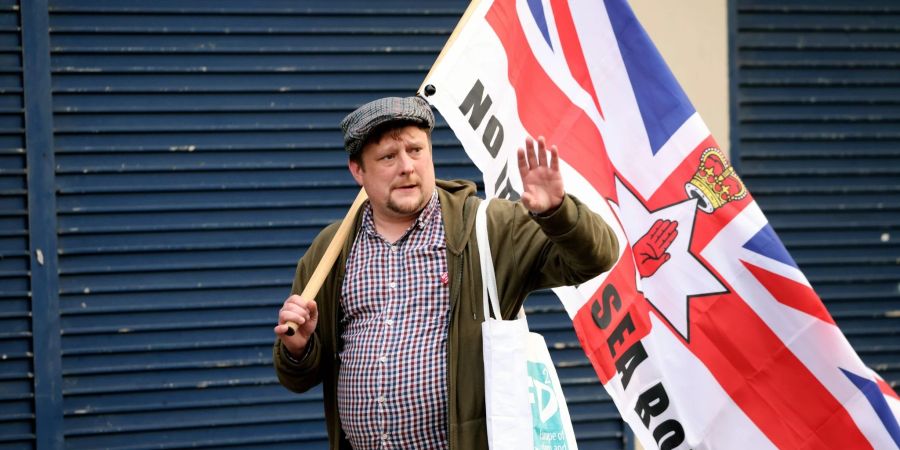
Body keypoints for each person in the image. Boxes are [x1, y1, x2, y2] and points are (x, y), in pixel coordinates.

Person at [273, 96, 619, 450]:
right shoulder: (330, 251)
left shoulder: (489, 227)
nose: (407, 166)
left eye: (415, 150)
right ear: (358, 171)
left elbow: (597, 257)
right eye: (388, 157)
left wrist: (558, 213)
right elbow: (298, 378)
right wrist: (298, 350)